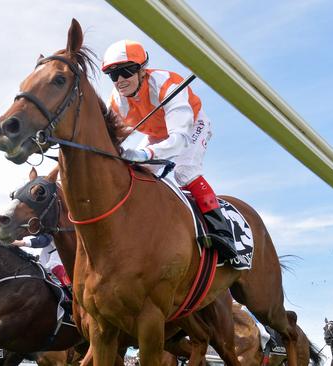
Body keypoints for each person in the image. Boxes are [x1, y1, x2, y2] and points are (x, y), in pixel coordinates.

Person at [101, 39, 237, 260]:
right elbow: (109, 140)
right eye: (113, 75)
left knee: (185, 171)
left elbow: (179, 138)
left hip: (191, 126)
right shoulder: (116, 102)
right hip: (156, 134)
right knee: (134, 173)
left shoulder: (166, 84)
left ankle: (222, 232)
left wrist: (147, 154)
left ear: (142, 70)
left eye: (126, 71)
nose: (120, 80)